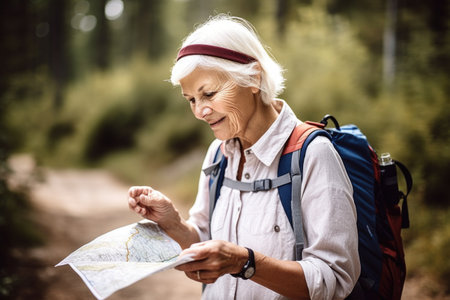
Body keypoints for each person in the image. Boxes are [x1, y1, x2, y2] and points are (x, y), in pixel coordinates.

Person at [128, 14, 360, 300]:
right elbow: (204, 241)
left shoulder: (313, 154)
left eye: (209, 93)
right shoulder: (218, 153)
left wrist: (245, 263)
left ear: (253, 77)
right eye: (191, 99)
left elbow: (334, 278)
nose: (200, 111)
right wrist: (173, 223)